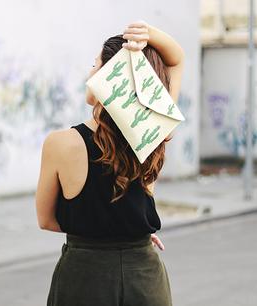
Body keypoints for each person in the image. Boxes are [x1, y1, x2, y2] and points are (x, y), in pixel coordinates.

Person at [36, 20, 184, 306]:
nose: (89, 73)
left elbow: (47, 220)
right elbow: (176, 61)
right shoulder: (154, 132)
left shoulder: (61, 143)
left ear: (109, 76)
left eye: (95, 66)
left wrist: (105, 233)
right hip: (144, 274)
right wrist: (148, 35)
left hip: (84, 276)